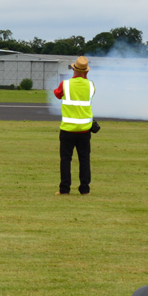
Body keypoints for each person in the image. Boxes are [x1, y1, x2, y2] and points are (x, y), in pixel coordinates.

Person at [53, 55, 96, 195]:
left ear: (73, 69)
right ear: (86, 72)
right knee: (84, 160)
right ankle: (85, 189)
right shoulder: (91, 85)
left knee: (65, 160)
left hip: (67, 129)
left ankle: (64, 189)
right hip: (84, 130)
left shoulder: (65, 84)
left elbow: (57, 94)